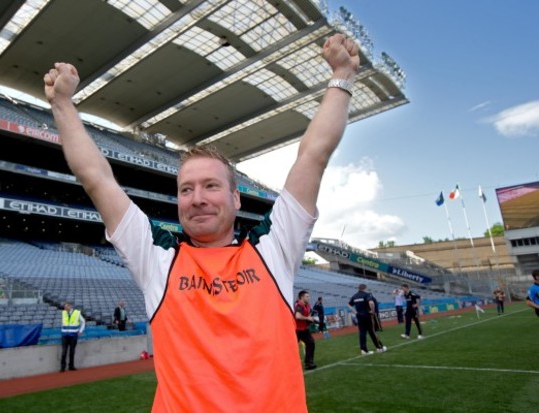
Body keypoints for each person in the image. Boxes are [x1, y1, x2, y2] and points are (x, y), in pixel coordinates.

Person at [44, 32, 358, 411]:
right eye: (187, 189)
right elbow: (96, 178)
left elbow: (313, 155)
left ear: (235, 198)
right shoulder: (157, 257)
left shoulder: (273, 247)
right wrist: (62, 103)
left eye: (211, 185)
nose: (198, 199)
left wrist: (342, 76)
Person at [348, 284, 386, 355]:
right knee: (372, 331)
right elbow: (371, 303)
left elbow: (349, 305)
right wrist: (372, 310)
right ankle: (379, 347)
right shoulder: (366, 294)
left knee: (362, 333)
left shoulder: (355, 296)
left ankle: (364, 350)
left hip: (359, 316)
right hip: (367, 316)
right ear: (365, 288)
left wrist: (355, 312)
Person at [60, 301, 85, 372]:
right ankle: (62, 367)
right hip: (64, 335)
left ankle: (71, 366)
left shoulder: (77, 313)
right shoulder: (63, 313)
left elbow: (83, 321)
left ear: (70, 306)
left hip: (73, 335)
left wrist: (80, 331)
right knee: (64, 351)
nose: (65, 307)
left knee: (72, 351)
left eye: (66, 306)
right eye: (64, 306)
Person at [294, 290, 317, 370]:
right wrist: (307, 318)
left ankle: (309, 363)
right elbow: (297, 316)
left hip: (304, 329)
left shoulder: (307, 305)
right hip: (296, 330)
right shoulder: (299, 305)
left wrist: (310, 319)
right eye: (307, 296)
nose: (309, 298)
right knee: (292, 347)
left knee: (311, 343)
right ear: (302, 297)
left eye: (309, 296)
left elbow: (307, 315)